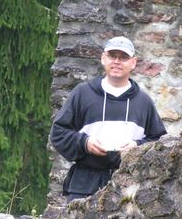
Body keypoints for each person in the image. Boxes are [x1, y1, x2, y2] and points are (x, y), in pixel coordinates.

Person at [50, 36, 167, 202]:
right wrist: (85, 142)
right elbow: (58, 133)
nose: (117, 61)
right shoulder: (82, 94)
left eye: (124, 57)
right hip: (84, 184)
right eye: (112, 56)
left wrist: (137, 146)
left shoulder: (144, 102)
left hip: (130, 187)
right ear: (103, 58)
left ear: (133, 63)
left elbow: (160, 142)